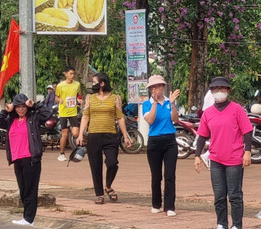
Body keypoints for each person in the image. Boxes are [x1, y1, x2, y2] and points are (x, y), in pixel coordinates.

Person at [193, 77, 253, 229]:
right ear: (211, 92)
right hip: (216, 159)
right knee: (219, 195)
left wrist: (247, 152)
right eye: (216, 89)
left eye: (222, 88)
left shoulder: (237, 109)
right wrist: (197, 155)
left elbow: (247, 131)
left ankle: (236, 227)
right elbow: (202, 135)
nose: (219, 92)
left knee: (234, 195)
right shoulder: (208, 113)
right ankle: (222, 225)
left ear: (228, 91)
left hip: (234, 158)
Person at [0, 93, 52, 226]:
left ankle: (29, 219)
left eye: (23, 107)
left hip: (31, 158)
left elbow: (48, 115)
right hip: (17, 159)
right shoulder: (11, 119)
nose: (21, 110)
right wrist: (5, 110)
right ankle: (26, 216)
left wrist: (35, 105)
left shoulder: (33, 117)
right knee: (23, 189)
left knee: (30, 189)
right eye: (18, 107)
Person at [77, 72, 132, 204]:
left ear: (102, 83)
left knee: (112, 163)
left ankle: (108, 186)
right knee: (95, 165)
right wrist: (80, 134)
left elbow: (120, 118)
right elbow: (85, 116)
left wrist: (126, 136)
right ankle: (99, 194)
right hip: (94, 135)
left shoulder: (115, 98)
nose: (93, 85)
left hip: (110, 136)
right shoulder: (90, 98)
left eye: (94, 82)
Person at [143, 74, 181, 217]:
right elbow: (151, 120)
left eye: (158, 86)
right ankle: (156, 203)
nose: (156, 89)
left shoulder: (168, 102)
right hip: (154, 140)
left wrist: (171, 104)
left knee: (170, 174)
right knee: (156, 175)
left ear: (163, 87)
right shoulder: (147, 104)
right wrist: (154, 103)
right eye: (153, 87)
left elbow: (175, 119)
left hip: (170, 140)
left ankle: (170, 206)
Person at [56, 66, 81, 161]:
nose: (72, 75)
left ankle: (79, 150)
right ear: (65, 74)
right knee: (64, 134)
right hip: (63, 113)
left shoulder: (77, 84)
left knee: (75, 133)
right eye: (70, 73)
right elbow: (56, 97)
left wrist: (79, 100)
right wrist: (60, 100)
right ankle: (62, 154)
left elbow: (78, 95)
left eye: (73, 74)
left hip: (73, 112)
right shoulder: (60, 86)